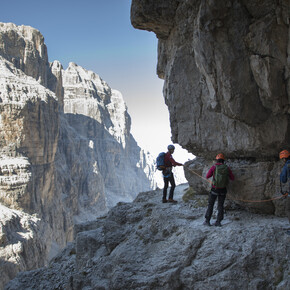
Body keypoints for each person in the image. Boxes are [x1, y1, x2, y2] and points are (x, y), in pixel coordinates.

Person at [204, 153, 234, 227]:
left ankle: (207, 221)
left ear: (217, 160)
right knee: (220, 205)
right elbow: (232, 178)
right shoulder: (227, 167)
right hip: (223, 190)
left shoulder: (214, 167)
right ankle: (218, 222)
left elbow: (207, 176)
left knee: (211, 205)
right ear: (223, 160)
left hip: (214, 189)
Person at [279, 149, 290, 235]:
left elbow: (283, 179)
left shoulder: (287, 165)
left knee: (288, 209)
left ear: (284, 159)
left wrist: (280, 174)